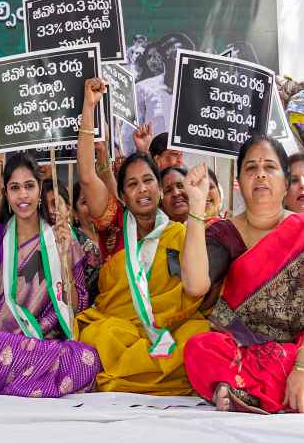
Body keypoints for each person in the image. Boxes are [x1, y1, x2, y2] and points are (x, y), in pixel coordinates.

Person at [75, 77, 208, 395]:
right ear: (121, 194)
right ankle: (152, 375)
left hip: (167, 327)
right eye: (132, 184)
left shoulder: (179, 232)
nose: (142, 189)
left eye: (148, 180)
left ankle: (133, 375)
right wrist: (89, 108)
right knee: (101, 334)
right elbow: (86, 175)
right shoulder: (113, 224)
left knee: (200, 331)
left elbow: (193, 290)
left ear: (159, 187)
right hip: (121, 330)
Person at [0, 152, 100, 397]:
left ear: (39, 190)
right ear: (6, 193)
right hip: (3, 343)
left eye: (29, 186)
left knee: (86, 358)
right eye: (15, 188)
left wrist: (65, 257)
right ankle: (37, 381)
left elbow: (76, 308)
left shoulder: (60, 237)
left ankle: (9, 381)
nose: (23, 195)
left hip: (47, 344)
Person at [182, 138, 304, 413]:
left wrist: (301, 366)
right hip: (245, 348)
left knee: (284, 359)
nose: (260, 173)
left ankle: (243, 390)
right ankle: (260, 391)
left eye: (270, 166)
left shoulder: (301, 230)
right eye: (251, 168)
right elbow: (195, 284)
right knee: (199, 348)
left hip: (297, 350)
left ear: (285, 182)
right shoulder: (225, 233)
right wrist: (196, 207)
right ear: (239, 182)